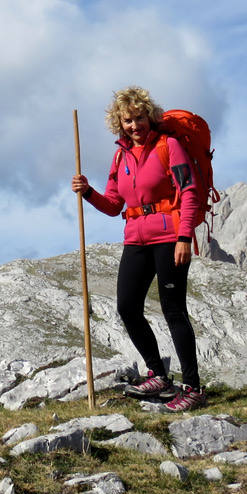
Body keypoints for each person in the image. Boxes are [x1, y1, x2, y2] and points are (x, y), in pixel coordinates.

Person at [71, 86, 205, 411]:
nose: (135, 126)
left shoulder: (168, 146)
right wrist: (87, 192)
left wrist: (185, 236)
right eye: (128, 120)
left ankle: (193, 388)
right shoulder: (121, 156)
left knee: (173, 310)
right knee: (127, 307)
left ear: (150, 116)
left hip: (170, 236)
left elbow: (188, 191)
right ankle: (158, 374)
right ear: (119, 123)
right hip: (136, 238)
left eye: (140, 118)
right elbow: (114, 204)